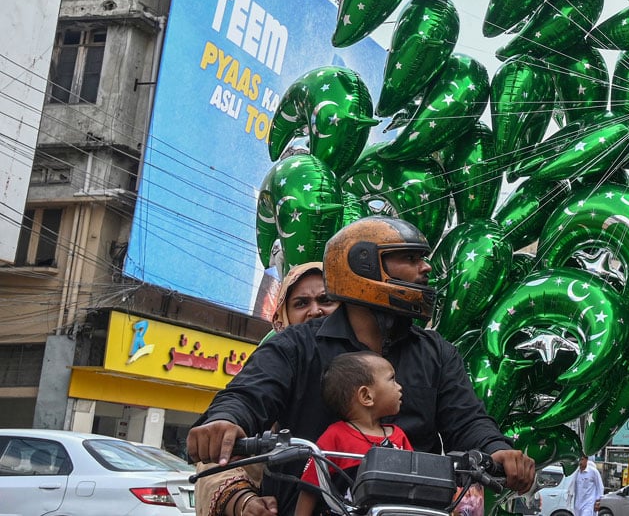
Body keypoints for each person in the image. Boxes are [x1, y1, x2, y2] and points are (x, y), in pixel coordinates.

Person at [187, 216, 535, 515]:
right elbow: (249, 394)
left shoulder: (438, 353)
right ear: (364, 265)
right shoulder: (294, 346)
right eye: (411, 259)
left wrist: (497, 450)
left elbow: (468, 419)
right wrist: (225, 421)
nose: (426, 268)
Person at [195, 262, 336, 516]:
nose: (316, 311)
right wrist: (244, 502)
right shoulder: (274, 362)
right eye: (301, 303)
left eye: (326, 299)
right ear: (284, 316)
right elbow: (219, 457)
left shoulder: (375, 364)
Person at [295, 351, 413, 516]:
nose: (399, 386)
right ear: (366, 396)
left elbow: (415, 484)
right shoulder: (335, 436)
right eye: (392, 379)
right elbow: (310, 488)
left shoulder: (399, 436)